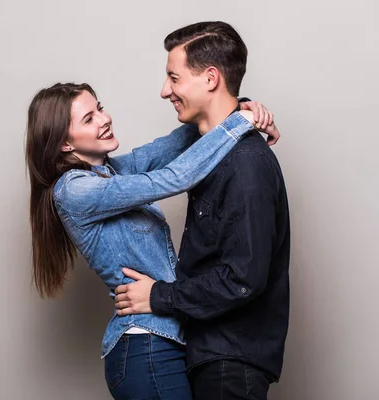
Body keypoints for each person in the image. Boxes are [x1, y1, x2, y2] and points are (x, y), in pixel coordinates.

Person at [25, 81, 279, 399]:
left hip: (164, 342)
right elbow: (174, 177)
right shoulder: (74, 191)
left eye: (99, 108)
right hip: (144, 348)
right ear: (63, 143)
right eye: (88, 119)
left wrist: (238, 107)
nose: (104, 119)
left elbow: (172, 144)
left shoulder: (114, 172)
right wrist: (239, 124)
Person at [114, 21, 290, 400]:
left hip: (230, 361)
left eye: (173, 78)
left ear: (210, 78)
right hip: (211, 354)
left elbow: (242, 278)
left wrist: (158, 296)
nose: (165, 91)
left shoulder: (245, 164)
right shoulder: (211, 152)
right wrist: (245, 110)